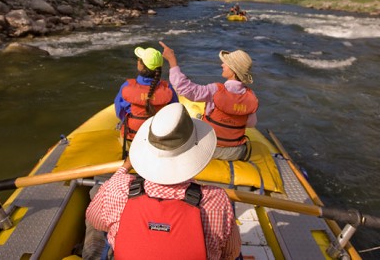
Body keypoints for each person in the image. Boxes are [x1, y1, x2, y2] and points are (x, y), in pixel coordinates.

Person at [85, 102, 242, 260]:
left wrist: (123, 168)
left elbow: (95, 220)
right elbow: (231, 253)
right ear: (195, 149)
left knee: (97, 205)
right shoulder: (216, 200)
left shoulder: (117, 188)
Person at [159, 41, 258, 161]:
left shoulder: (215, 90)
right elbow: (251, 124)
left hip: (210, 149)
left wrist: (172, 60)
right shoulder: (251, 96)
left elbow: (186, 89)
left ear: (233, 70)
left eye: (226, 64)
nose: (222, 65)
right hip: (235, 152)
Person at [114, 47, 178, 144]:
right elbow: (174, 112)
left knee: (121, 125)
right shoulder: (167, 88)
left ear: (141, 66)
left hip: (132, 137)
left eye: (139, 60)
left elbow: (120, 112)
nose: (137, 61)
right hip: (158, 139)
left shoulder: (127, 86)